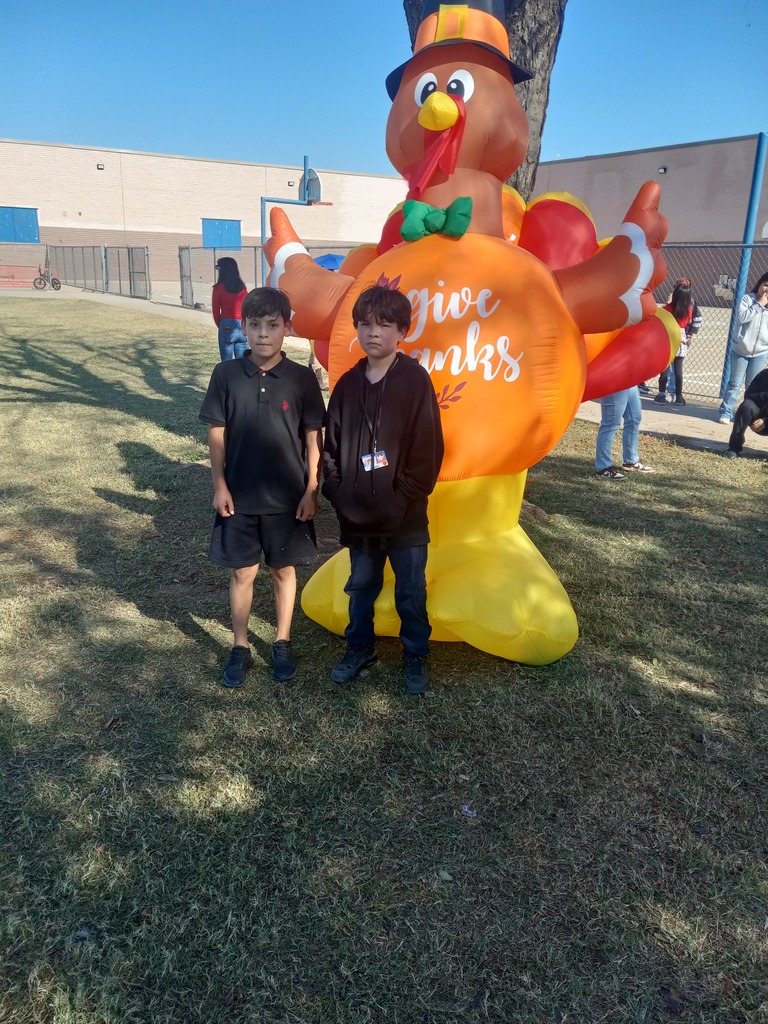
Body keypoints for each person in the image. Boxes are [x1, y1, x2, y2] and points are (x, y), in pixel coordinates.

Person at [199, 287, 325, 687]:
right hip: (240, 496)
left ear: (287, 328)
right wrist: (220, 485)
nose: (263, 334)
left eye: (273, 325)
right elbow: (216, 435)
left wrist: (312, 489)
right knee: (242, 573)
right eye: (255, 325)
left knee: (283, 570)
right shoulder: (226, 375)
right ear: (244, 327)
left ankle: (282, 641)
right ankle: (240, 647)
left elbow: (312, 439)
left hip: (288, 499)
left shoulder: (303, 379)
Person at [322, 285, 444, 695]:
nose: (373, 332)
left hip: (404, 515)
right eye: (365, 323)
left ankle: (416, 654)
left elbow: (426, 452)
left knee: (411, 589)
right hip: (358, 515)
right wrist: (339, 494)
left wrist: (399, 498)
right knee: (361, 585)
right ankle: (360, 648)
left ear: (402, 332)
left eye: (384, 324)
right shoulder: (346, 385)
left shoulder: (415, 381)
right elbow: (331, 449)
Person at [719, 271, 768, 423]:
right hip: (741, 349)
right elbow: (741, 317)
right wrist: (759, 304)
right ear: (759, 284)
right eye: (765, 285)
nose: (766, 289)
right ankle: (726, 412)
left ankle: (748, 415)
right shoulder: (748, 299)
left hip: (761, 351)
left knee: (752, 386)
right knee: (734, 383)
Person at [653, 278, 701, 406]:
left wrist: (668, 302)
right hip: (681, 338)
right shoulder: (689, 309)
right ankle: (678, 396)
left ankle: (662, 394)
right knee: (678, 369)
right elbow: (690, 322)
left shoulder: (668, 308)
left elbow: (660, 315)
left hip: (668, 337)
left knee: (665, 368)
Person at [594, 386, 654, 479]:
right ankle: (603, 468)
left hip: (630, 381)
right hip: (615, 380)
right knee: (610, 423)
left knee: (634, 419)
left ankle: (631, 461)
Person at [724, 367, 768, 458]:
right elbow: (748, 395)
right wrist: (764, 396)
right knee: (746, 406)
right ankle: (734, 447)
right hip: (758, 418)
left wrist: (766, 422)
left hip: (766, 422)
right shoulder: (764, 374)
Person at [211, 257, 248, 361]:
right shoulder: (242, 287)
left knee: (226, 363)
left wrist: (221, 325)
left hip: (226, 323)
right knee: (243, 362)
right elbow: (248, 306)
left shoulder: (218, 288)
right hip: (242, 324)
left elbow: (215, 311)